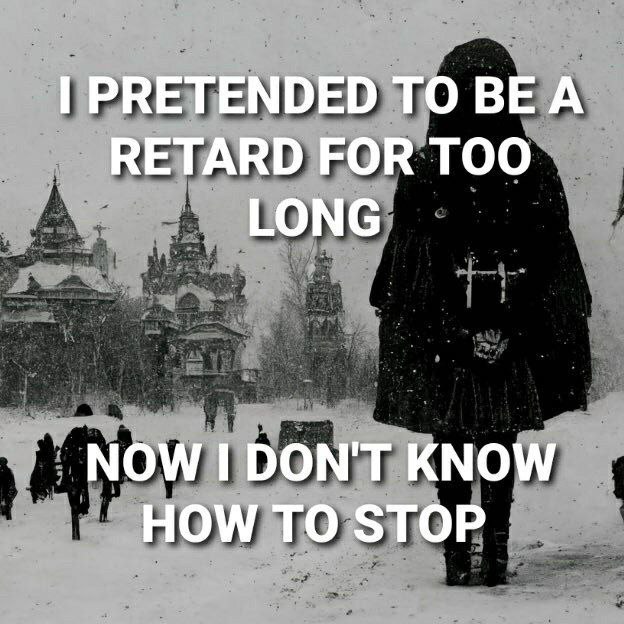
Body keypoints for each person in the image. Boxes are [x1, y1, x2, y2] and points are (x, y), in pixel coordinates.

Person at [370, 38, 591, 586]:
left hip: (464, 348)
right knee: (487, 446)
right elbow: (414, 275)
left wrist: (485, 334)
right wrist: (498, 334)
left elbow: (550, 267)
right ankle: (479, 550)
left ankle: (477, 550)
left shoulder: (437, 169)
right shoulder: (522, 168)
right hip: (475, 345)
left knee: (469, 446)